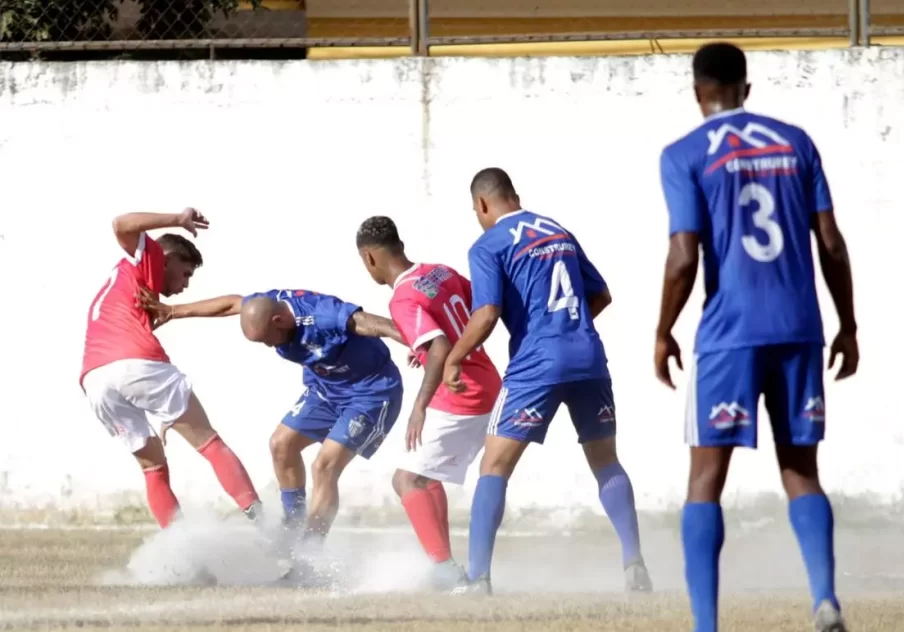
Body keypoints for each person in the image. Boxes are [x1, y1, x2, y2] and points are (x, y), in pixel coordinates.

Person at [653, 42, 859, 632]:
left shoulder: (685, 154)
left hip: (730, 334)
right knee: (801, 473)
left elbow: (684, 256)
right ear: (747, 88)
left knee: (705, 482)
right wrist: (848, 323)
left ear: (698, 93)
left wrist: (662, 330)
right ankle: (824, 599)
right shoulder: (796, 142)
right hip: (800, 326)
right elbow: (831, 241)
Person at [443, 167, 652, 596]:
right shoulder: (557, 231)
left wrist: (456, 357)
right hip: (588, 356)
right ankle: (634, 565)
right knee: (605, 461)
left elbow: (485, 314)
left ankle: (478, 578)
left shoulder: (489, 244)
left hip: (537, 363)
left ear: (482, 205)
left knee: (494, 465)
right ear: (513, 196)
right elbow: (602, 294)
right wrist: (567, 330)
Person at [137, 287, 406, 547]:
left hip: (370, 393)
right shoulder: (265, 304)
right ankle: (293, 527)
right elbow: (232, 303)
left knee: (324, 467)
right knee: (281, 444)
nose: (268, 346)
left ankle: (309, 553)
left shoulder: (322, 315)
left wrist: (422, 345)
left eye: (268, 338)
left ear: (279, 321)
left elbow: (371, 323)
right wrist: (173, 311)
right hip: (326, 390)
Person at [81, 208, 264, 530]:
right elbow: (121, 224)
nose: (185, 284)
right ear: (165, 260)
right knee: (210, 444)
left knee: (153, 468)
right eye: (185, 274)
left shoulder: (126, 287)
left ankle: (180, 553)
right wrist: (178, 219)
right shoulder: (146, 258)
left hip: (95, 379)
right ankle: (268, 526)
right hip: (136, 364)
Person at [356, 215, 503, 590]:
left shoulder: (402, 298)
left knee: (406, 479)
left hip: (459, 390)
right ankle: (447, 565)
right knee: (423, 475)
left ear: (370, 259)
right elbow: (480, 308)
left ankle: (447, 572)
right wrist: (426, 350)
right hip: (484, 379)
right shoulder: (439, 271)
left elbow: (439, 346)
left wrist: (420, 404)